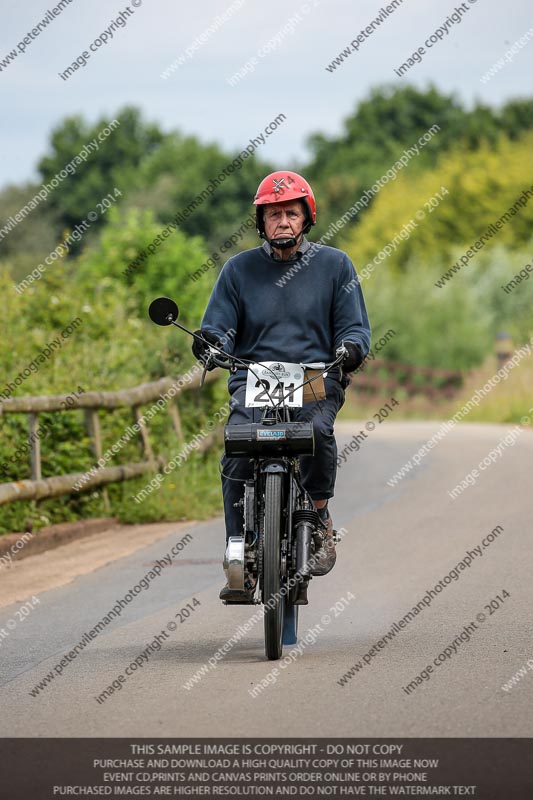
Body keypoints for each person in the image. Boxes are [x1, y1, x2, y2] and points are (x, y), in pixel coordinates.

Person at [191, 170, 371, 602]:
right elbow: (218, 327)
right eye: (273, 214)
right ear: (261, 222)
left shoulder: (335, 265)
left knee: (317, 433)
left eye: (291, 212)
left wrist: (350, 349)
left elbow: (355, 328)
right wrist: (211, 344)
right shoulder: (237, 271)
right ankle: (240, 551)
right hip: (253, 378)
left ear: (306, 218)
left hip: (314, 375)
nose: (283, 221)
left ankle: (320, 517)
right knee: (237, 447)